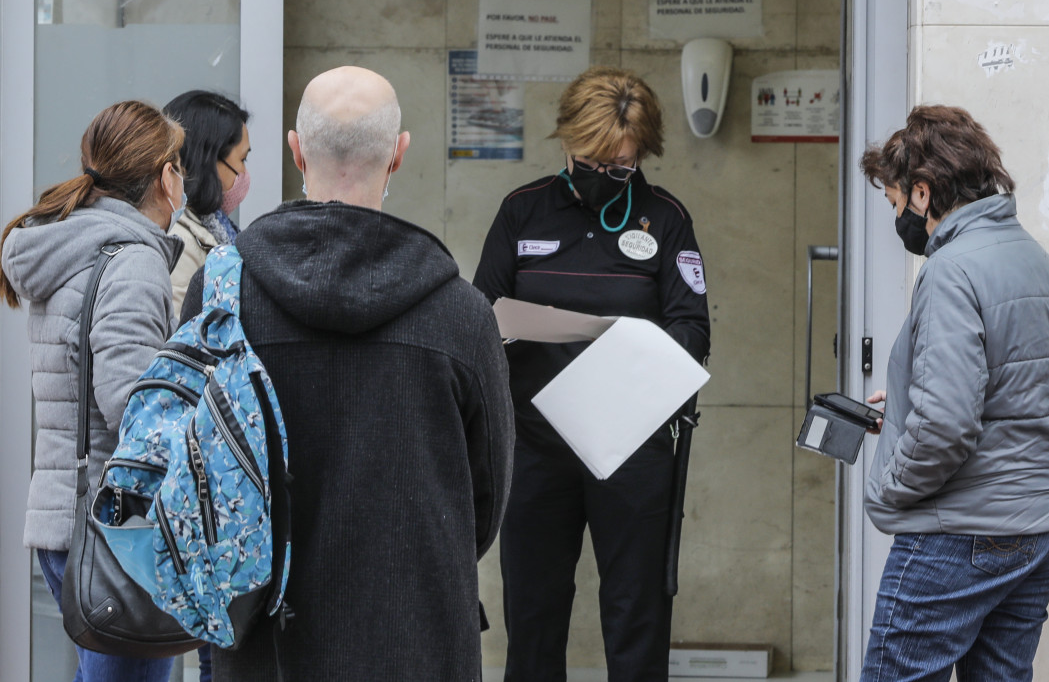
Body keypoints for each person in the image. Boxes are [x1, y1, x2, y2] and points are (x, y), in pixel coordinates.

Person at [179, 65, 514, 681]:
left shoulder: (221, 293)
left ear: (296, 150)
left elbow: (196, 469)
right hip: (418, 636)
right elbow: (486, 498)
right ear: (398, 155)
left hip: (264, 638)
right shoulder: (461, 313)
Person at [473, 65, 711, 681]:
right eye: (594, 159)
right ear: (567, 141)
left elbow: (693, 328)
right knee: (534, 613)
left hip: (630, 447)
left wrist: (637, 353)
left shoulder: (666, 218)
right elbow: (477, 320)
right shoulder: (521, 212)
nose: (606, 175)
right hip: (535, 448)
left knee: (637, 615)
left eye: (622, 166)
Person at [858, 105, 1049, 682]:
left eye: (895, 203)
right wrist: (909, 404)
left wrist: (889, 492)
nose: (898, 222)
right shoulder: (1040, 262)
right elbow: (1018, 391)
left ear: (922, 193)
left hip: (962, 530)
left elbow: (946, 427)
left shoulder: (951, 269)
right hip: (1041, 528)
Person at [0, 101, 186, 682]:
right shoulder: (131, 261)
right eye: (180, 166)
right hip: (118, 530)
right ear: (163, 175)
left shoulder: (77, 246)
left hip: (73, 518)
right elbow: (133, 406)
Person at [163, 89, 252, 318]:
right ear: (209, 161)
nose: (244, 172)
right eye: (242, 159)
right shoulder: (180, 242)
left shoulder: (206, 230)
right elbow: (174, 339)